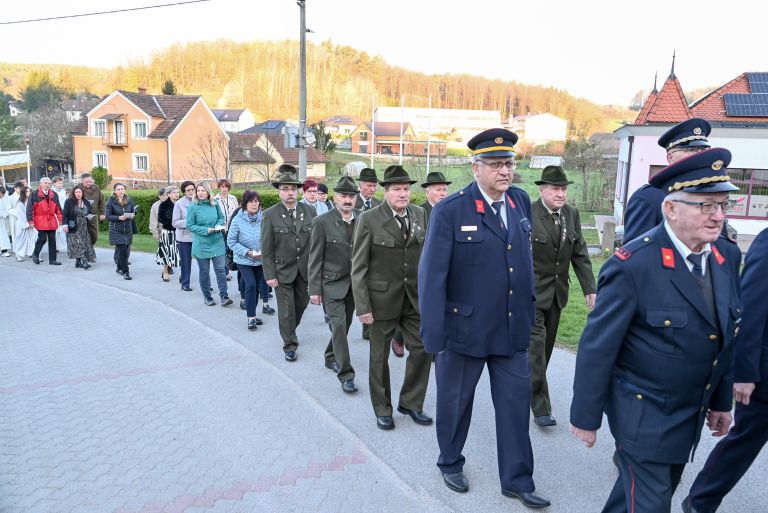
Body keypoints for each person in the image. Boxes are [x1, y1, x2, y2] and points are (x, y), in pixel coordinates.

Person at [570, 148, 743, 513]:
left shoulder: (725, 260)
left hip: (688, 414)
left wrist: (720, 401)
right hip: (642, 417)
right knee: (650, 505)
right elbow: (597, 347)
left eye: (722, 205)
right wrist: (585, 418)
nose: (718, 217)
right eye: (705, 206)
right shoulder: (634, 265)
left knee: (633, 499)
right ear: (671, 208)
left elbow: (723, 336)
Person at [418, 128, 550, 509]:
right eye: (495, 165)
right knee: (455, 404)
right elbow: (431, 279)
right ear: (475, 168)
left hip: (511, 331)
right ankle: (450, 461)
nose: (504, 172)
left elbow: (521, 263)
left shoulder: (521, 202)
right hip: (464, 331)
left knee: (514, 406)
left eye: (509, 163)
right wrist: (434, 338)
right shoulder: (451, 210)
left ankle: (517, 479)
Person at [682, 226, 768, 513]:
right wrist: (744, 373)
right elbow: (751, 309)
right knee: (744, 441)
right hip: (764, 373)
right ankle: (700, 501)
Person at [351, 165, 432, 431]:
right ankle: (382, 408)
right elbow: (359, 266)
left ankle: (411, 402)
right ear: (385, 192)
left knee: (422, 349)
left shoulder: (420, 214)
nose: (403, 194)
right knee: (379, 356)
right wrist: (363, 306)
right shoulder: (370, 219)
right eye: (397, 189)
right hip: (381, 300)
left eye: (406, 189)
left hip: (414, 298)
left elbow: (426, 259)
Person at [529, 166, 596, 427]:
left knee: (543, 353)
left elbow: (579, 253)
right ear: (542, 190)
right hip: (530, 295)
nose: (560, 194)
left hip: (557, 295)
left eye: (564, 189)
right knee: (535, 350)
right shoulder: (528, 214)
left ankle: (525, 388)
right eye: (555, 189)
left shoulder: (571, 214)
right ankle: (541, 408)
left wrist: (589, 288)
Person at [309, 176, 361, 394]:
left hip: (355, 286)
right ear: (335, 197)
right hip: (331, 285)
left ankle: (330, 355)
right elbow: (314, 258)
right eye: (343, 196)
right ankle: (346, 374)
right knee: (338, 326)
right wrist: (314, 290)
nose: (348, 200)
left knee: (345, 326)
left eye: (351, 196)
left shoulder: (363, 219)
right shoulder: (322, 222)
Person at [623, 118, 712, 242]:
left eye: (702, 150)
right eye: (691, 150)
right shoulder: (648, 198)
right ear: (670, 157)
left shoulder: (711, 195)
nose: (698, 155)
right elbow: (635, 254)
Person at [261, 165, 316, 361]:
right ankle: (290, 344)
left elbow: (316, 244)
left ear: (298, 190)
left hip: (305, 271)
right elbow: (266, 248)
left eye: (293, 189)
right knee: (285, 310)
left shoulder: (309, 211)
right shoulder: (270, 214)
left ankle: (289, 329)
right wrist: (270, 275)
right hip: (282, 270)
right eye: (285, 189)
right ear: (279, 191)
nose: (290, 192)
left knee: (300, 306)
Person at [186, 181, 232, 307]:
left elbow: (221, 217)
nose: (200, 193)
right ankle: (207, 297)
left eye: (203, 190)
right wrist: (206, 230)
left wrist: (218, 225)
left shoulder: (214, 203)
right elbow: (189, 225)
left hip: (217, 241)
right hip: (201, 244)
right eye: (198, 190)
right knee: (204, 272)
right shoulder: (193, 207)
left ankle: (224, 296)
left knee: (221, 270)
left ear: (208, 192)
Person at [227, 190, 265, 329]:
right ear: (244, 204)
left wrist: (264, 251)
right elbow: (231, 241)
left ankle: (253, 314)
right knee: (250, 285)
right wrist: (247, 252)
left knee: (257, 287)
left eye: (256, 201)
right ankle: (251, 318)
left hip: (261, 259)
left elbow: (270, 238)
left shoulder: (265, 218)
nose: (254, 204)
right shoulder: (238, 219)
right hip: (244, 259)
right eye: (251, 201)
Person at [355, 167, 382, 342]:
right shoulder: (351, 201)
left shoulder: (379, 204)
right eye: (369, 186)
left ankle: (368, 329)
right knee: (361, 288)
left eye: (374, 186)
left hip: (375, 254)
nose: (372, 189)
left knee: (372, 292)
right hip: (356, 253)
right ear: (360, 185)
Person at [27, 177, 63, 265]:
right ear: (41, 184)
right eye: (45, 183)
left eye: (48, 183)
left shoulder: (54, 194)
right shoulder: (35, 194)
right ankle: (35, 254)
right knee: (42, 238)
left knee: (52, 240)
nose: (47, 185)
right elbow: (29, 209)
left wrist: (61, 220)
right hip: (40, 220)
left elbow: (58, 209)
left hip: (51, 221)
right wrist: (30, 221)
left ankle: (52, 260)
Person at [105, 183, 137, 280]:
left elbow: (133, 211)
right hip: (116, 229)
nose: (121, 191)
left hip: (127, 229)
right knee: (123, 250)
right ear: (114, 191)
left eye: (122, 189)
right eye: (118, 189)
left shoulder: (129, 199)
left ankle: (119, 267)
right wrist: (119, 217)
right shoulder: (110, 201)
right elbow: (108, 216)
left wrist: (133, 215)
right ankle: (125, 271)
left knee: (125, 250)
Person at [62, 184, 96, 269]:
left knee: (83, 244)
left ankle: (78, 262)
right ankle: (84, 262)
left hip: (84, 227)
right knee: (79, 244)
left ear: (82, 193)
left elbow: (88, 213)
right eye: (76, 192)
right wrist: (64, 225)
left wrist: (90, 216)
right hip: (74, 226)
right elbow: (65, 214)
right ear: (74, 193)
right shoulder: (69, 201)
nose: (78, 193)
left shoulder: (86, 202)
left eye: (79, 192)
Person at [173, 180, 196, 292]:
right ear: (184, 192)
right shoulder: (179, 203)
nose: (191, 192)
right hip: (184, 237)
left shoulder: (200, 201)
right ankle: (185, 283)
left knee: (203, 261)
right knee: (186, 261)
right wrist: (189, 223)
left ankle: (207, 284)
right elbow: (175, 222)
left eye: (192, 189)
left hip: (199, 236)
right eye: (188, 190)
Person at [214, 178, 239, 281]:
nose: (224, 189)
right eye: (222, 187)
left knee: (231, 249)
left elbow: (237, 213)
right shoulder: (215, 199)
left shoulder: (233, 198)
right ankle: (226, 272)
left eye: (226, 187)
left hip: (232, 228)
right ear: (219, 187)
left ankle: (231, 267)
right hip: (222, 229)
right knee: (224, 250)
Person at [156, 186, 180, 282]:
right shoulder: (163, 205)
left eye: (177, 192)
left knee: (180, 253)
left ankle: (184, 274)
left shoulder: (181, 203)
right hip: (168, 231)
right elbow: (160, 218)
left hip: (180, 231)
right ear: (169, 194)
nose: (176, 194)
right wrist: (171, 223)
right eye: (174, 192)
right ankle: (165, 271)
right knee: (166, 252)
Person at [80, 172, 105, 247]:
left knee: (94, 236)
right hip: (81, 216)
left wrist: (102, 213)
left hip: (93, 215)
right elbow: (70, 202)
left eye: (90, 181)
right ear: (82, 181)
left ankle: (89, 248)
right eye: (86, 182)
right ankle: (86, 252)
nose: (89, 183)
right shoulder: (77, 188)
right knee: (83, 235)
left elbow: (102, 201)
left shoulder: (96, 188)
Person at [11, 187, 35, 261]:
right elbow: (21, 215)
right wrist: (28, 224)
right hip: (22, 224)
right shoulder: (20, 203)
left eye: (30, 191)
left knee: (32, 239)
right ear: (23, 193)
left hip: (31, 223)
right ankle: (19, 255)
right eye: (27, 191)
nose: (29, 193)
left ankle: (31, 252)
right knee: (21, 240)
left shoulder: (32, 202)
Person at [52, 176, 68, 251]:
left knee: (62, 229)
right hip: (54, 213)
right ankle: (55, 246)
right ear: (54, 183)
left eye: (62, 183)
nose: (61, 185)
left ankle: (63, 245)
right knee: (55, 230)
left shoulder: (63, 191)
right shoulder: (51, 191)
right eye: (59, 183)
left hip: (62, 212)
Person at [0, 186, 12, 256]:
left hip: (2, 221)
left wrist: (6, 214)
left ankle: (4, 250)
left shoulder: (3, 199)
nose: (2, 196)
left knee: (3, 235)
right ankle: (3, 251)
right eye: (2, 194)